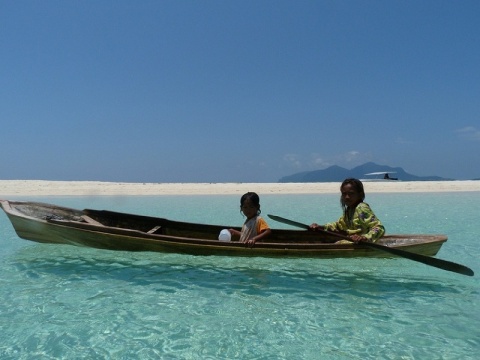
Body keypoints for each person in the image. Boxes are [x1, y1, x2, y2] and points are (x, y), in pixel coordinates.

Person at [310, 178, 385, 243]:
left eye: (351, 193)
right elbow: (339, 225)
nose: (347, 197)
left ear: (360, 194)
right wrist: (320, 227)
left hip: (361, 243)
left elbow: (379, 228)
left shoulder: (361, 208)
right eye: (344, 194)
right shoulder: (349, 209)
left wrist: (364, 238)